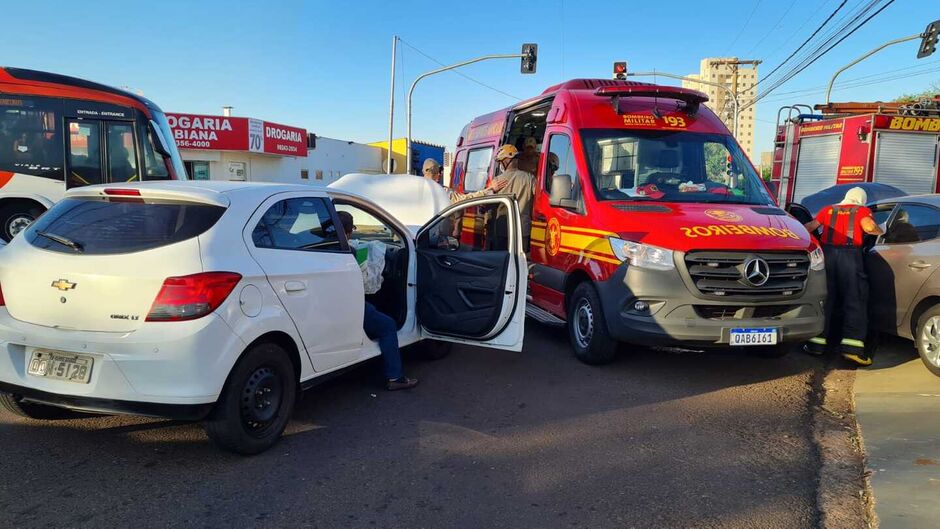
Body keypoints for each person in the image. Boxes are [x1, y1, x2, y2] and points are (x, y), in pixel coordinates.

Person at [803, 187, 884, 366]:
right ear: (860, 200)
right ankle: (852, 349)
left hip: (827, 256)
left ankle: (816, 344)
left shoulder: (828, 209)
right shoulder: (862, 211)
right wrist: (882, 232)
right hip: (850, 257)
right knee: (854, 300)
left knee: (825, 299)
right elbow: (869, 227)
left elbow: (809, 227)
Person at [338, 211, 418, 390]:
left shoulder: (320, 246)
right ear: (350, 231)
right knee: (387, 325)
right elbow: (365, 282)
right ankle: (395, 378)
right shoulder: (349, 252)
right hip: (349, 305)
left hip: (328, 305)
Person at [492, 144, 536, 250]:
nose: (500, 165)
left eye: (500, 161)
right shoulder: (530, 178)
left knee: (503, 261)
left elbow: (487, 204)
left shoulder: (496, 181)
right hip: (522, 230)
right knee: (520, 262)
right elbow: (539, 199)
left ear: (506, 160)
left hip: (503, 230)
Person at [422, 157, 507, 203]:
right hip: (432, 233)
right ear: (437, 173)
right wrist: (490, 189)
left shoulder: (416, 186)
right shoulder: (440, 191)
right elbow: (466, 199)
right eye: (439, 172)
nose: (441, 174)